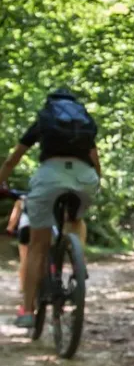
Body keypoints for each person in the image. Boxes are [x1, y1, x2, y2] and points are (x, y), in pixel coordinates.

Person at [0, 89, 100, 327]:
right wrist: (95, 186)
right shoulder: (83, 126)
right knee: (75, 219)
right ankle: (78, 260)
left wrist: (2, 181)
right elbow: (97, 164)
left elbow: (13, 159)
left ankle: (27, 310)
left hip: (50, 177)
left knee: (37, 244)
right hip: (85, 178)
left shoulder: (44, 122)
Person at [6, 196, 30, 313]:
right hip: (44, 229)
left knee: (24, 259)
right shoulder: (46, 197)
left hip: (25, 228)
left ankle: (23, 287)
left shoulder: (22, 200)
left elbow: (14, 217)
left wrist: (10, 227)